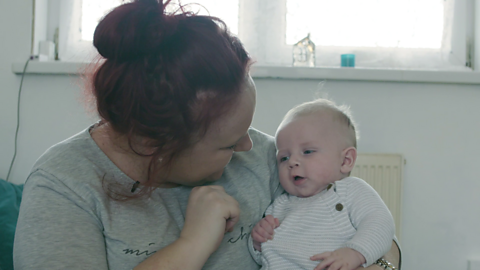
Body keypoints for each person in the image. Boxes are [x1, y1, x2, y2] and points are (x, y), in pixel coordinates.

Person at [13, 0, 401, 269]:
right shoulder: (65, 187)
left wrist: (375, 264)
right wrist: (190, 245)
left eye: (245, 130)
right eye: (229, 143)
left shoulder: (270, 159)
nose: (250, 146)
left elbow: (385, 243)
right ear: (155, 144)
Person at [249, 99, 396, 270]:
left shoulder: (350, 192)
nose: (293, 162)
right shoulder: (279, 206)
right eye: (284, 157)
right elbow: (266, 257)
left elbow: (381, 224)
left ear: (345, 160)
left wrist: (355, 253)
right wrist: (257, 243)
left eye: (308, 152)